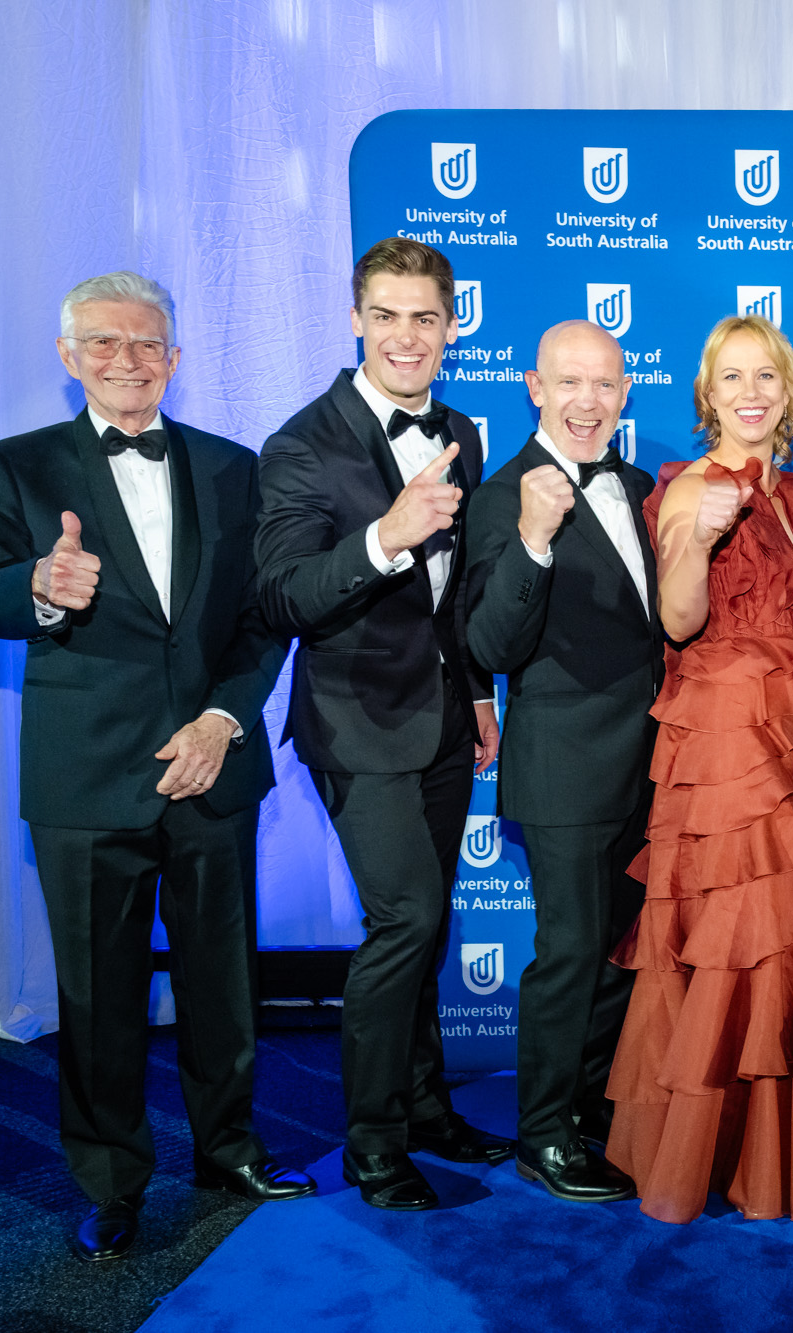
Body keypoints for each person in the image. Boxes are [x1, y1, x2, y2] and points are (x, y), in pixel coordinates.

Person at [0, 271, 311, 1263]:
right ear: (68, 356)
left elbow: (261, 620)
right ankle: (111, 1183)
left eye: (147, 343)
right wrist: (38, 583)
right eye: (104, 343)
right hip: (85, 779)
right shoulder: (16, 467)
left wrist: (221, 720)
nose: (126, 360)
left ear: (175, 359)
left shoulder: (234, 467)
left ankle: (229, 1150)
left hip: (211, 765)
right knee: (98, 996)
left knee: (222, 982)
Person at [255, 238, 510, 1211]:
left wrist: (477, 690)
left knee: (428, 920)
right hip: (355, 720)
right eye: (387, 316)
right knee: (404, 917)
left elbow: (455, 591)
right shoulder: (301, 444)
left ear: (452, 326)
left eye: (425, 318)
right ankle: (371, 1143)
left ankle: (426, 1107)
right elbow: (283, 594)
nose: (407, 336)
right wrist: (383, 536)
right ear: (356, 320)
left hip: (442, 717)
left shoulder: (461, 432)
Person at [603, 312, 793, 1223]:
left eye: (766, 376)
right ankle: (723, 1159)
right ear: (707, 396)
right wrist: (698, 540)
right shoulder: (691, 487)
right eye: (732, 378)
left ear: (787, 392)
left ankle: (780, 1154)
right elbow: (679, 620)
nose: (751, 393)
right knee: (744, 940)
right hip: (729, 743)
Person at [463, 320, 659, 1205]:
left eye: (604, 384)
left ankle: (589, 1103)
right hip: (566, 770)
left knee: (621, 952)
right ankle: (542, 1133)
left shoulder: (641, 486)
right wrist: (534, 541)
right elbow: (491, 645)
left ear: (625, 393)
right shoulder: (501, 496)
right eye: (568, 382)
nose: (588, 401)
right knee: (571, 952)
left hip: (649, 769)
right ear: (535, 389)